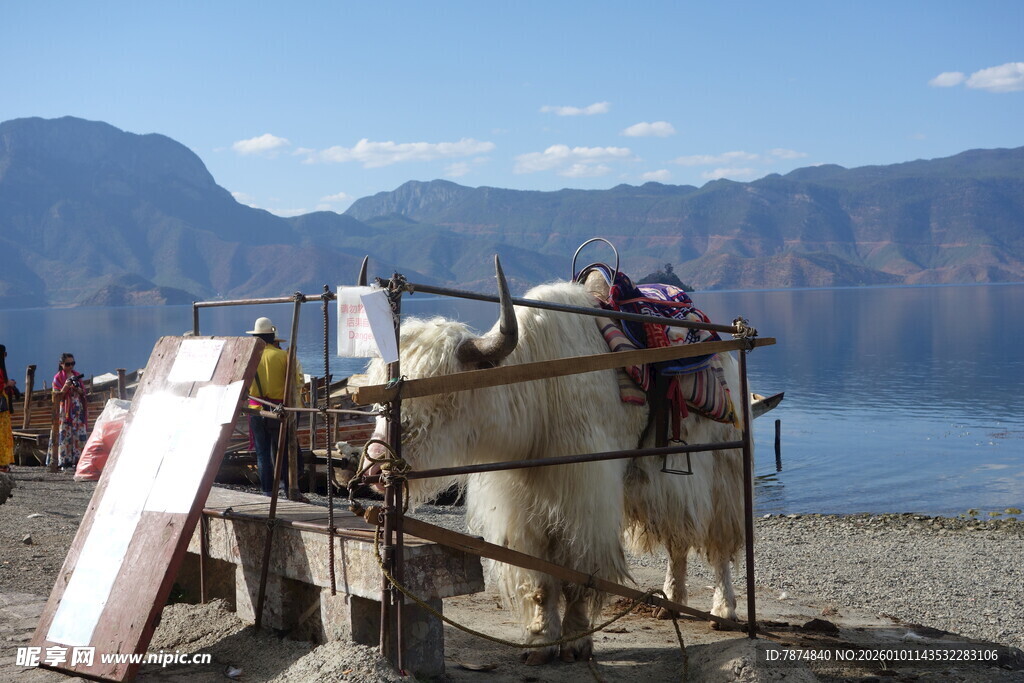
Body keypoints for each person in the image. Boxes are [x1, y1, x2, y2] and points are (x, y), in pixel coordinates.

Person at [247, 317, 300, 495]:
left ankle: (267, 491)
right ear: (272, 337)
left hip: (256, 409)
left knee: (262, 453)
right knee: (282, 451)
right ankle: (287, 487)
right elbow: (295, 383)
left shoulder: (250, 356)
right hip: (279, 410)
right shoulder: (283, 356)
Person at [48, 353, 88, 470]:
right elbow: (56, 396)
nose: (70, 366)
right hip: (65, 410)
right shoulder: (58, 378)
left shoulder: (76, 375)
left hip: (77, 409)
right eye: (68, 364)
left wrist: (78, 389)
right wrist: (65, 387)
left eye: (72, 363)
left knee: (78, 434)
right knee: (66, 434)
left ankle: (78, 460)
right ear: (61, 364)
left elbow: (83, 393)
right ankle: (65, 461)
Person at [0, 345, 22, 473]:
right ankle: (2, 463)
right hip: (1, 411)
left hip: (4, 410)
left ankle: (3, 463)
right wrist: (7, 384)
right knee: (2, 435)